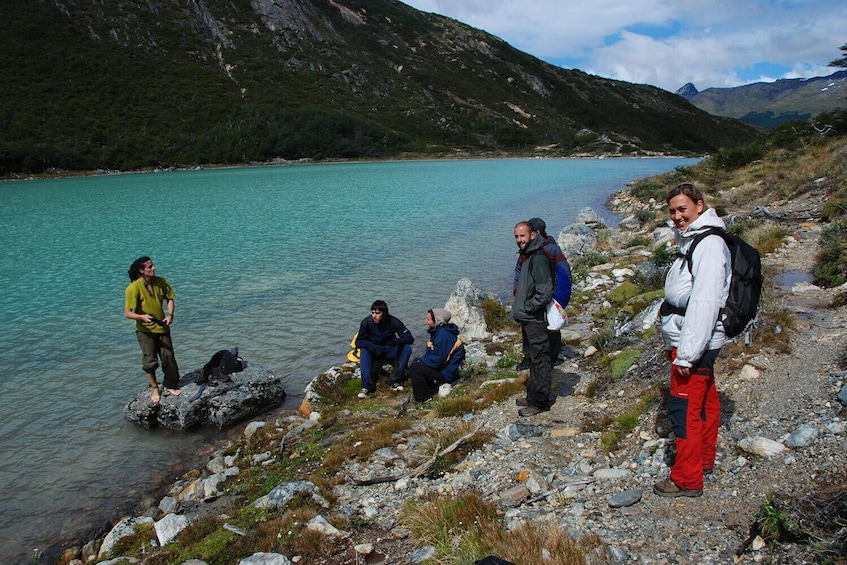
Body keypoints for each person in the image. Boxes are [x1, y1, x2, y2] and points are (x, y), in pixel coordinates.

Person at [654, 182, 731, 498]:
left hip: (695, 343)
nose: (676, 216)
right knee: (706, 402)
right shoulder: (697, 239)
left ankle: (687, 478)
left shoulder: (709, 245)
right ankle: (703, 460)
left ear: (699, 205)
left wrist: (686, 355)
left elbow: (704, 302)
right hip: (700, 342)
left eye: (682, 209)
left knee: (684, 410)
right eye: (672, 211)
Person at [513, 217, 572, 368]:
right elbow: (519, 270)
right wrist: (517, 291)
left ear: (536, 233)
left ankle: (549, 357)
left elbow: (563, 273)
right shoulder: (527, 250)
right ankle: (530, 358)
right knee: (528, 326)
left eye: (526, 233)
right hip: (530, 294)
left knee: (550, 326)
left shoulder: (549, 249)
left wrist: (558, 299)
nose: (521, 238)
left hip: (546, 295)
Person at [510, 221, 554, 416]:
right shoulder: (529, 255)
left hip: (535, 319)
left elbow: (545, 292)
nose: (519, 240)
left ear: (533, 235)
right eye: (517, 237)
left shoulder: (538, 258)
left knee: (541, 359)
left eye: (522, 236)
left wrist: (528, 308)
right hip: (529, 319)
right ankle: (532, 395)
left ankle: (540, 402)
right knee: (533, 359)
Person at [124, 256, 182, 403]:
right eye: (149, 267)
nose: (153, 268)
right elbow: (128, 313)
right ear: (141, 270)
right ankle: (155, 388)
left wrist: (170, 315)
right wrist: (142, 317)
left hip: (162, 327)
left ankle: (170, 384)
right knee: (150, 360)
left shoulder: (160, 281)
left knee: (168, 357)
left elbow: (170, 298)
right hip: (145, 331)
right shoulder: (133, 288)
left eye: (152, 265)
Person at [354, 300, 414, 398]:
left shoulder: (393, 321)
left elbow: (409, 338)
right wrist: (373, 348)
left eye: (377, 313)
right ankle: (367, 387)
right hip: (374, 351)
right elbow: (359, 342)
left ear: (384, 314)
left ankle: (394, 380)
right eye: (373, 313)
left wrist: (396, 342)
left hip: (389, 349)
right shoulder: (366, 322)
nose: (374, 316)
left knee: (407, 348)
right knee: (364, 351)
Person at [409, 308, 466, 403]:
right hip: (444, 368)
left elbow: (437, 361)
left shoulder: (443, 335)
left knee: (415, 367)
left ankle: (423, 398)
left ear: (438, 321)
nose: (425, 321)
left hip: (448, 373)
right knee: (416, 361)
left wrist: (422, 361)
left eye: (428, 319)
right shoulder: (440, 332)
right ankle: (430, 388)